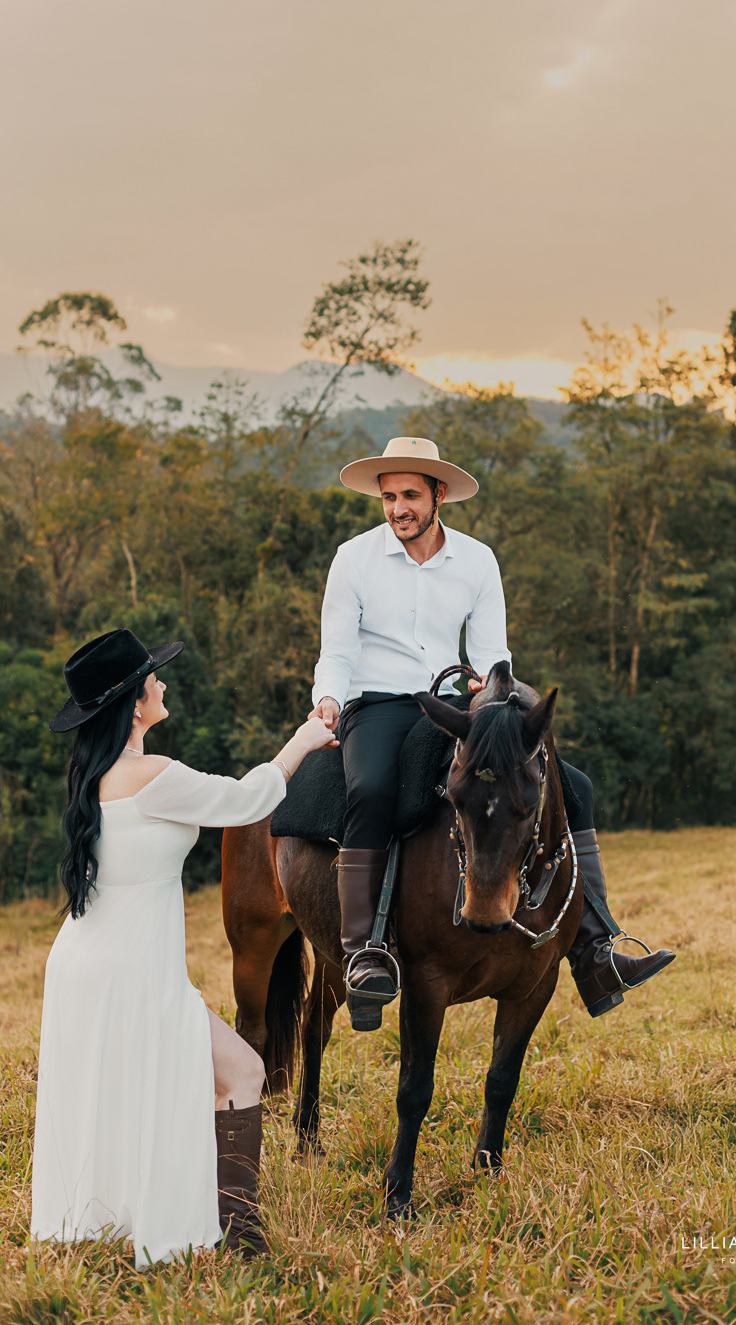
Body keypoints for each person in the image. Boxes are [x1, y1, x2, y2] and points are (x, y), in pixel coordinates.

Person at [309, 435, 675, 1030]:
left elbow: (491, 653)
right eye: (387, 497)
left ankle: (594, 947)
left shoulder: (478, 561)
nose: (397, 508)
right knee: (372, 789)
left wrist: (492, 688)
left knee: (570, 785)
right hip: (375, 703)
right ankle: (363, 952)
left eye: (409, 495)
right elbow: (337, 651)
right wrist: (328, 699)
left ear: (439, 495)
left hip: (455, 702)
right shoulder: (353, 559)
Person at [30, 627, 334, 1268]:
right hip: (136, 973)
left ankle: (178, 1223)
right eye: (153, 678)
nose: (163, 683)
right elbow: (249, 799)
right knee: (244, 1072)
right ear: (135, 704)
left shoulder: (92, 775)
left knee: (120, 1093)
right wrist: (304, 741)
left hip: (88, 964)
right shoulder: (154, 776)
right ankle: (237, 1236)